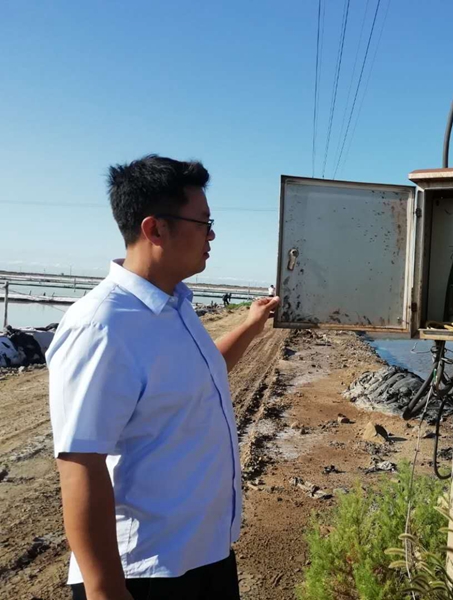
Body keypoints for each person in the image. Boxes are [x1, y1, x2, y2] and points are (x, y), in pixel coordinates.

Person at [47, 155, 280, 600]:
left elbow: (201, 373)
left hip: (205, 554)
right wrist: (105, 590)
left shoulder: (174, 305)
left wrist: (252, 325)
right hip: (146, 573)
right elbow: (80, 461)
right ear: (155, 229)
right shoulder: (102, 325)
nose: (211, 235)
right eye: (204, 222)